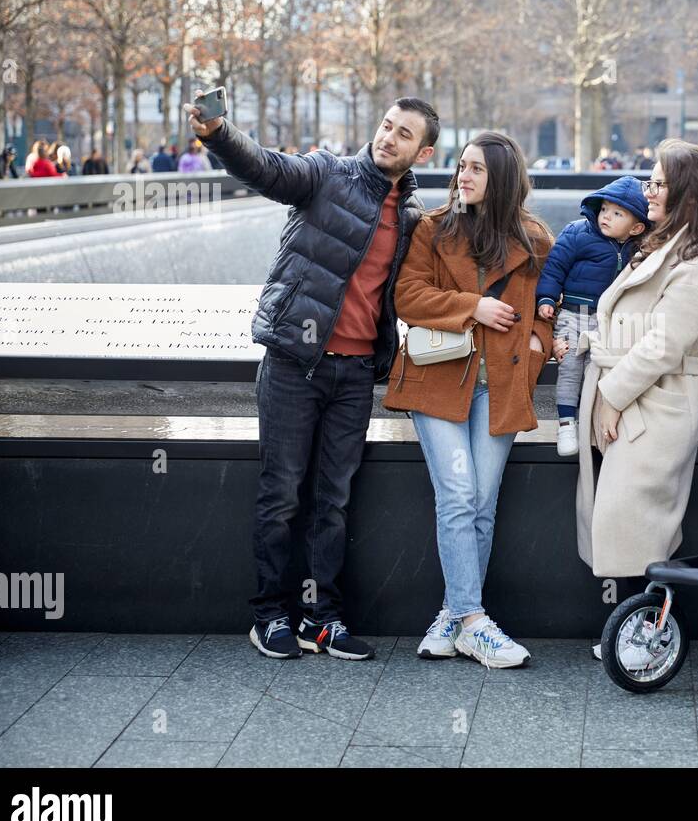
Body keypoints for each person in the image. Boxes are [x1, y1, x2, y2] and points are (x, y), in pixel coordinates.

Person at [184, 93, 439, 661]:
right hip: (294, 366)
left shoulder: (415, 219)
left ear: (423, 150)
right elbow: (267, 168)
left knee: (334, 500)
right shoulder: (327, 174)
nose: (388, 138)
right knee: (280, 495)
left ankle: (323, 619)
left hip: (354, 377)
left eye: (403, 134)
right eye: (386, 126)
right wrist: (220, 133)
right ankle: (269, 614)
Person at [384, 131, 554, 670]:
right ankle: (475, 622)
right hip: (438, 382)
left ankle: (452, 618)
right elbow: (407, 297)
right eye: (462, 166)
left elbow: (553, 311)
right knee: (457, 494)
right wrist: (473, 306)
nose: (464, 175)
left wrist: (538, 346)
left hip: (500, 385)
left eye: (477, 168)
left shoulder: (534, 241)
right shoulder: (433, 229)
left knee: (481, 502)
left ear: (501, 178)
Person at [577, 139, 698, 663]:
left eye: (658, 182)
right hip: (641, 398)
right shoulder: (668, 247)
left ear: (686, 195)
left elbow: (664, 345)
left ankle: (649, 639)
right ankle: (640, 632)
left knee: (642, 523)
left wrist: (610, 395)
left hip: (656, 403)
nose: (647, 190)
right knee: (632, 521)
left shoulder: (697, 264)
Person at [536, 175, 651, 456]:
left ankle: (589, 422)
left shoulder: (640, 248)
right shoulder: (577, 233)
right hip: (574, 314)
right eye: (603, 210)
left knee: (596, 372)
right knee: (570, 368)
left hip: (609, 322)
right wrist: (547, 298)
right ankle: (565, 423)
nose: (606, 217)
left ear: (636, 227)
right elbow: (554, 268)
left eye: (617, 213)